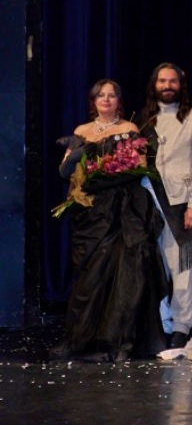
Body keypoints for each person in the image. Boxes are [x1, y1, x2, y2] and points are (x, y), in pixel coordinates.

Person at [56, 79, 167, 361]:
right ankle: (82, 340)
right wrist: (77, 157)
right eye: (101, 95)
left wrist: (108, 173)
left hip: (122, 210)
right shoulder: (81, 131)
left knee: (125, 274)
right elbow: (64, 172)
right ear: (93, 101)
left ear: (119, 101)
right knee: (89, 278)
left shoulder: (129, 129)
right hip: (91, 212)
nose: (106, 99)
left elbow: (140, 167)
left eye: (112, 95)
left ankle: (118, 340)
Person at [134, 63, 192, 350]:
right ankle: (160, 324)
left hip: (182, 205)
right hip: (148, 203)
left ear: (181, 84)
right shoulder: (142, 120)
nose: (167, 85)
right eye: (162, 81)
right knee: (154, 268)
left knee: (184, 269)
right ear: (154, 85)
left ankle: (181, 326)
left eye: (172, 81)